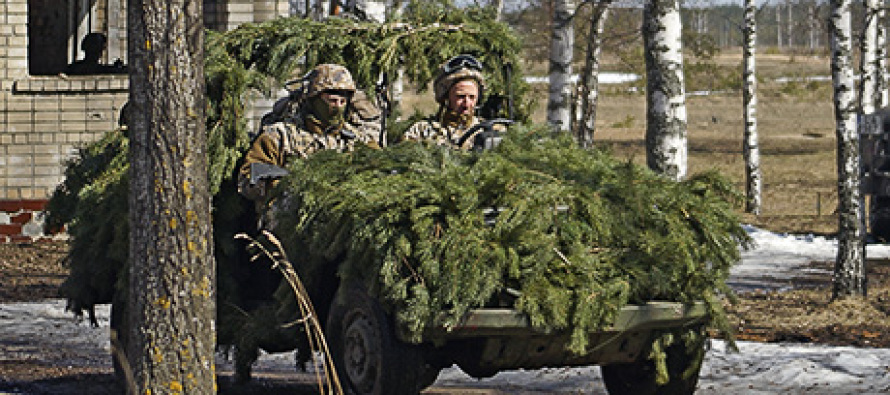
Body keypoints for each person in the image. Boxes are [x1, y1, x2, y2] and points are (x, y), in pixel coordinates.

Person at [237, 63, 381, 208]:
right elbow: (248, 179)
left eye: (342, 101)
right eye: (332, 101)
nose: (337, 106)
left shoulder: (356, 140)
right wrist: (286, 185)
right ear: (314, 98)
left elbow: (383, 172)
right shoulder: (280, 136)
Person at [402, 54, 500, 150]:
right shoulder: (421, 131)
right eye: (460, 97)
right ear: (446, 97)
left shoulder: (490, 131)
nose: (467, 104)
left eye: (472, 97)